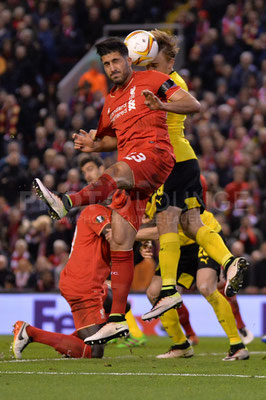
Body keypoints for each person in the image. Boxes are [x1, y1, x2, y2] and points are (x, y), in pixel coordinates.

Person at [33, 37, 201, 344]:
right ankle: (116, 318)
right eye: (107, 64)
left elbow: (193, 104)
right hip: (133, 168)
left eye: (116, 61)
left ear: (128, 60)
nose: (112, 68)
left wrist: (161, 105)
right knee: (123, 241)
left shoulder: (154, 78)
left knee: (116, 171)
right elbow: (111, 139)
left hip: (156, 153)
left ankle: (66, 202)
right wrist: (93, 144)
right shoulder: (111, 100)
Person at [139, 29, 249, 321]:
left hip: (173, 160)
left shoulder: (171, 83)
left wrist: (160, 105)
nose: (149, 68)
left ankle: (168, 291)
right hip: (185, 160)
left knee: (166, 221)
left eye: (154, 63)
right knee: (189, 223)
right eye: (147, 64)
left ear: (170, 60)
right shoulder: (160, 80)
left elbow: (194, 105)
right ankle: (229, 260)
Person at [137, 184, 249, 361]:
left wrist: (130, 235)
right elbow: (153, 224)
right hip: (179, 246)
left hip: (203, 236)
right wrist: (145, 244)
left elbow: (162, 228)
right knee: (154, 292)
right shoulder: (143, 196)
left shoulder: (169, 182)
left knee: (206, 286)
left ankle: (237, 345)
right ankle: (181, 345)